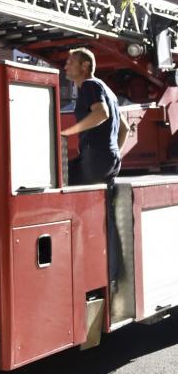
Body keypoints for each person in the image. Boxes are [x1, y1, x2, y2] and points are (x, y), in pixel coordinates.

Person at [61, 47, 130, 283]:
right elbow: (124, 129)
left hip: (96, 157)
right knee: (101, 213)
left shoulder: (90, 85)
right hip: (103, 157)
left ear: (85, 66)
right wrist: (114, 155)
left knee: (86, 209)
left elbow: (100, 115)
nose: (65, 66)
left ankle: (101, 271)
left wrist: (67, 132)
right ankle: (107, 270)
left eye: (71, 62)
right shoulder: (106, 89)